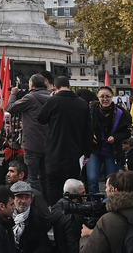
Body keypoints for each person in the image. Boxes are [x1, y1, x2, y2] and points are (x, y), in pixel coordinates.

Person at [36, 75, 94, 205]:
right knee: (73, 185)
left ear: (55, 88)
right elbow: (88, 131)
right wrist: (87, 153)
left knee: (54, 186)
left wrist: (50, 100)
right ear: (70, 86)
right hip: (75, 153)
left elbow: (41, 118)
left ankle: (56, 212)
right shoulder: (82, 103)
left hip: (55, 152)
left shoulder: (53, 101)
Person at [7, 73, 52, 197]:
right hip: (49, 144)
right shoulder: (52, 97)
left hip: (32, 144)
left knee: (33, 178)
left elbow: (10, 108)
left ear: (31, 84)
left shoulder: (30, 98)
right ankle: (48, 204)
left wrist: (14, 93)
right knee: (45, 177)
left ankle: (39, 204)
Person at [86, 86, 133, 194]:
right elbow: (83, 127)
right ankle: (94, 203)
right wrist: (90, 135)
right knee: (92, 179)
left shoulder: (121, 113)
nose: (105, 99)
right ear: (98, 97)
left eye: (107, 96)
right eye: (102, 96)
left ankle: (109, 203)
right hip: (94, 150)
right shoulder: (91, 110)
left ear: (112, 97)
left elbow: (126, 132)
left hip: (112, 152)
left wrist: (115, 138)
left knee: (112, 181)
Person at [10, 180, 52, 253]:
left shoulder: (37, 218)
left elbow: (43, 245)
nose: (24, 201)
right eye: (20, 197)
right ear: (12, 199)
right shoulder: (6, 216)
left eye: (27, 197)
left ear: (31, 199)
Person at [48, 179, 87, 253]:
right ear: (72, 194)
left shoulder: (56, 207)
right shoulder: (72, 217)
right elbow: (72, 243)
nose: (85, 196)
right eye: (82, 193)